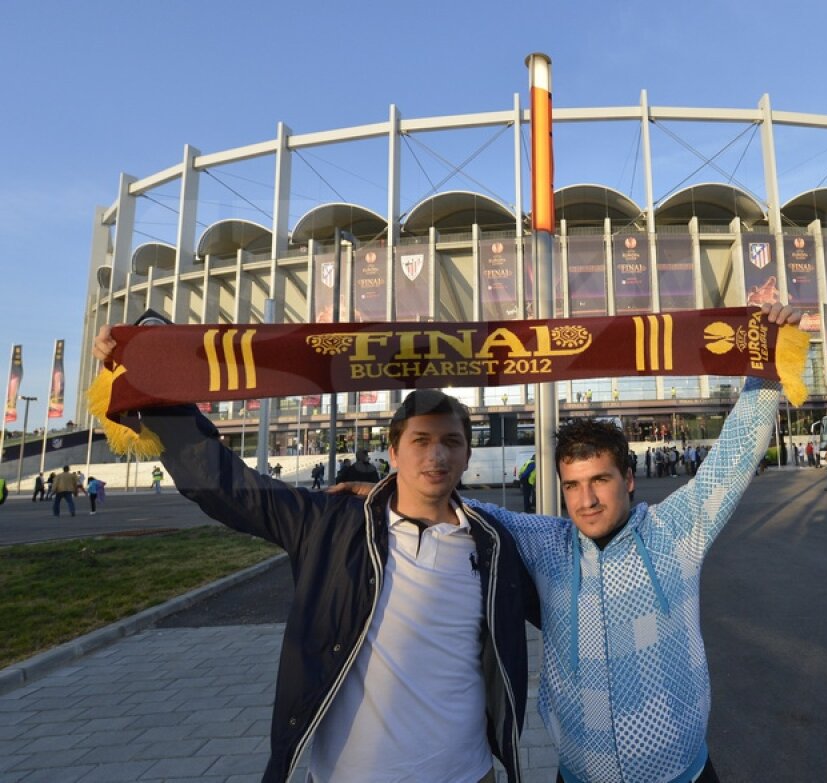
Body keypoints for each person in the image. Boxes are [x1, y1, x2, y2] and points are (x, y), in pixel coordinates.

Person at [92, 327, 536, 783]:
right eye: (421, 441)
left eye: (451, 442)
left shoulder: (495, 545)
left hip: (467, 774)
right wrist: (156, 371)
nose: (436, 456)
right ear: (394, 452)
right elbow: (225, 485)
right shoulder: (330, 525)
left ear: (466, 455)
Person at [480, 302, 805, 781]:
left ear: (628, 479)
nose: (585, 500)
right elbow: (473, 514)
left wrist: (767, 359)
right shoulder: (547, 543)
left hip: (682, 774)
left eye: (600, 480)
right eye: (572, 485)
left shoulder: (676, 531)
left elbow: (737, 449)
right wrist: (384, 493)